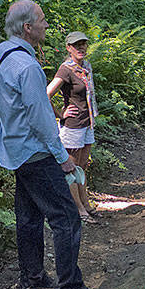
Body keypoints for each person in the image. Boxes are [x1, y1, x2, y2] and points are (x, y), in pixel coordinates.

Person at [0, 0, 108, 289]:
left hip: (14, 149)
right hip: (36, 152)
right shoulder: (28, 66)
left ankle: (32, 277)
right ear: (28, 27)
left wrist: (4, 108)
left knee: (29, 216)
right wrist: (62, 157)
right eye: (43, 21)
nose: (47, 25)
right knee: (66, 218)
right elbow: (41, 119)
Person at [47, 31, 99, 223]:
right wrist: (60, 114)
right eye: (76, 45)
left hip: (87, 123)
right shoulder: (66, 69)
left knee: (82, 166)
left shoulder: (86, 66)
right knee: (71, 167)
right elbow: (46, 94)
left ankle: (85, 203)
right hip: (73, 127)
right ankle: (77, 209)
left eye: (84, 44)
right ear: (68, 48)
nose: (81, 48)